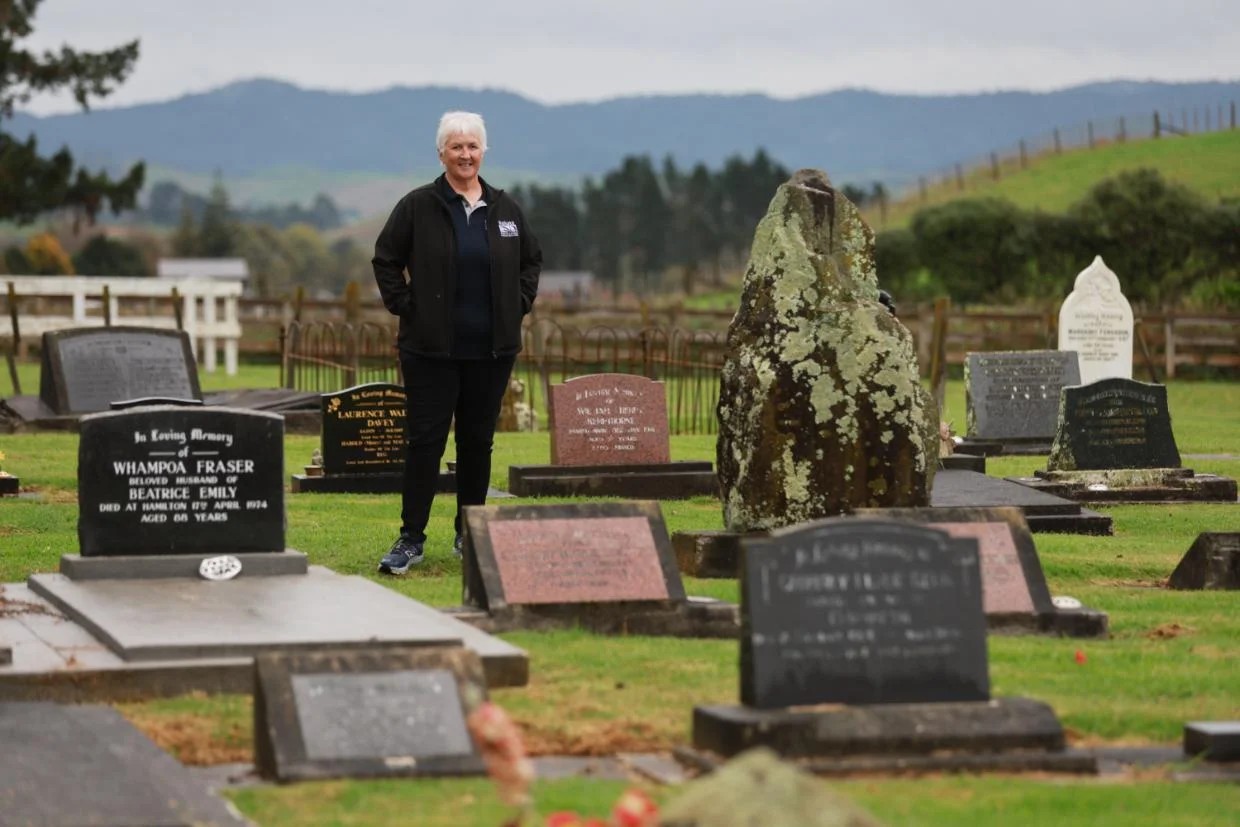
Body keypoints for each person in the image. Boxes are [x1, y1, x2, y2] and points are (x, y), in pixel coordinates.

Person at [372, 111, 541, 574]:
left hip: (491, 351)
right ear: (441, 153)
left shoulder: (505, 209)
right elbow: (385, 259)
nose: (465, 155)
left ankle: (470, 535)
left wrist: (518, 304)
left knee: (477, 443)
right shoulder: (418, 206)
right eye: (456, 147)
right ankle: (411, 539)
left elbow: (531, 260)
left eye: (472, 146)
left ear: (483, 152)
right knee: (424, 442)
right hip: (431, 351)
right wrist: (408, 307)